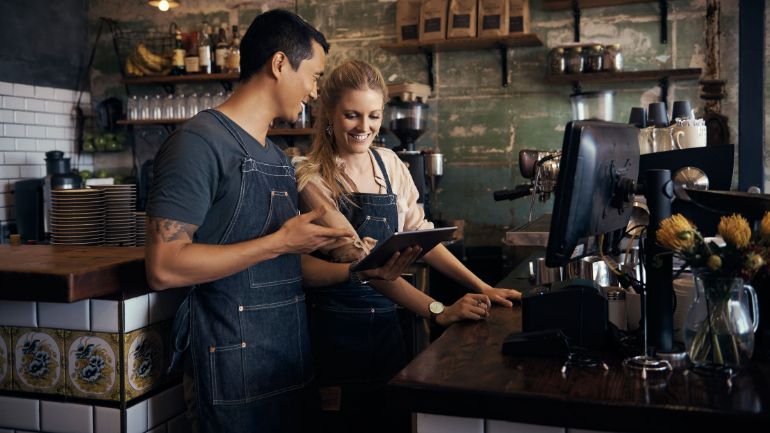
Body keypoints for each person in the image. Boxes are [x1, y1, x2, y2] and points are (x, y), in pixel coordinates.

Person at [144, 12, 417, 433]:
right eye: (313, 75)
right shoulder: (197, 143)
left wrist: (356, 269)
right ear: (278, 64)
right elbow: (164, 266)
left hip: (290, 364)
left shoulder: (274, 157)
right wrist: (281, 242)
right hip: (231, 364)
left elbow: (289, 269)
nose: (314, 89)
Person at [294, 60, 522, 433]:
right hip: (335, 338)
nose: (364, 128)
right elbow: (365, 266)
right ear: (327, 115)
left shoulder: (389, 164)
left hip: (389, 328)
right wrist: (438, 310)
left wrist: (481, 286)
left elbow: (423, 236)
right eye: (352, 115)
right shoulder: (309, 175)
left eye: (373, 116)